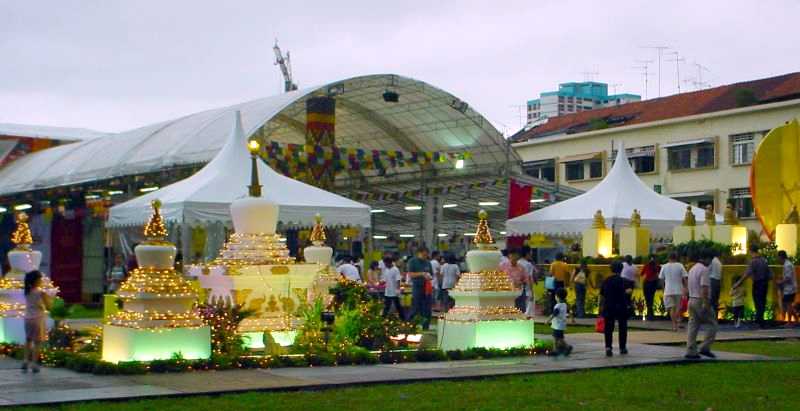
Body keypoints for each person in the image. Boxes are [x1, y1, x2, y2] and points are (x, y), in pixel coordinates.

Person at [685, 251, 717, 359]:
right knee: (712, 324)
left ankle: (690, 350)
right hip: (700, 300)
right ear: (707, 259)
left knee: (693, 325)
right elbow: (704, 288)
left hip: (692, 299)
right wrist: (706, 303)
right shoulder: (704, 270)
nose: (711, 263)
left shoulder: (692, 269)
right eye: (711, 260)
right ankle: (705, 347)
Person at [733, 245, 772, 328]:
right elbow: (770, 275)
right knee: (762, 302)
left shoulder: (753, 261)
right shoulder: (764, 260)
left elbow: (747, 274)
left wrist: (738, 283)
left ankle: (759, 322)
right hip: (764, 283)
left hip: (757, 284)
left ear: (751, 251)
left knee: (758, 302)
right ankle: (761, 322)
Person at [600, 260, 633, 357]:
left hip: (609, 306)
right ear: (621, 269)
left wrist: (600, 307)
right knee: (623, 327)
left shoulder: (606, 281)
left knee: (608, 328)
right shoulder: (624, 281)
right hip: (621, 306)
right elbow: (629, 291)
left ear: (611, 269)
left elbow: (602, 295)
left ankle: (608, 347)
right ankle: (622, 348)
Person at [22, 270, 52, 373]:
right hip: (38, 319)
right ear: (36, 280)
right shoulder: (41, 292)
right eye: (40, 279)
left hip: (27, 318)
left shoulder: (27, 291)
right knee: (37, 342)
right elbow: (49, 306)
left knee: (28, 340)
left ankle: (25, 360)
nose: (41, 281)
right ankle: (34, 364)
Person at [659, 252, 688, 332]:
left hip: (668, 290)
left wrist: (663, 288)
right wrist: (686, 288)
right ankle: (677, 321)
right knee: (678, 307)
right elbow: (685, 277)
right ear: (676, 257)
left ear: (668, 258)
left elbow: (661, 279)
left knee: (672, 308)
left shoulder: (664, 266)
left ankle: (674, 325)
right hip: (678, 290)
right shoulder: (680, 265)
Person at [406, 247, 433, 330]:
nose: (425, 256)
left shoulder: (428, 263)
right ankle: (410, 326)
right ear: (419, 253)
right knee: (415, 307)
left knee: (427, 308)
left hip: (427, 288)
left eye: (426, 255)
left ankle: (425, 327)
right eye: (424, 255)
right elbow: (410, 274)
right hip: (417, 287)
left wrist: (429, 276)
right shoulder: (413, 262)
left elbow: (431, 274)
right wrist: (421, 274)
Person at [548, 287, 572, 356]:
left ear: (557, 297)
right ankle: (558, 349)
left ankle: (565, 347)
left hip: (557, 325)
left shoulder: (558, 306)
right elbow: (569, 312)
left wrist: (548, 320)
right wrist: (572, 318)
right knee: (559, 338)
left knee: (557, 338)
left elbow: (554, 314)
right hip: (561, 324)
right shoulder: (564, 305)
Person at [776, 250, 798, 326]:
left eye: (778, 257)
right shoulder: (787, 264)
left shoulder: (787, 265)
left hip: (790, 289)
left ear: (781, 257)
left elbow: (788, 278)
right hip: (790, 288)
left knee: (788, 305)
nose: (777, 259)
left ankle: (789, 322)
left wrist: (780, 282)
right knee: (788, 305)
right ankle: (796, 319)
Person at [640, 255, 661, 321]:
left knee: (648, 299)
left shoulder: (647, 265)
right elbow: (659, 275)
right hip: (653, 283)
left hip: (647, 283)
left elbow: (642, 274)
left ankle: (650, 315)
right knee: (651, 299)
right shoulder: (657, 266)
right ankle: (651, 315)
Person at [708, 250, 723, 316]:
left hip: (712, 281)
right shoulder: (719, 262)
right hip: (718, 282)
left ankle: (710, 317)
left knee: (711, 300)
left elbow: (708, 270)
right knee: (716, 301)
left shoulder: (712, 261)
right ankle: (715, 317)